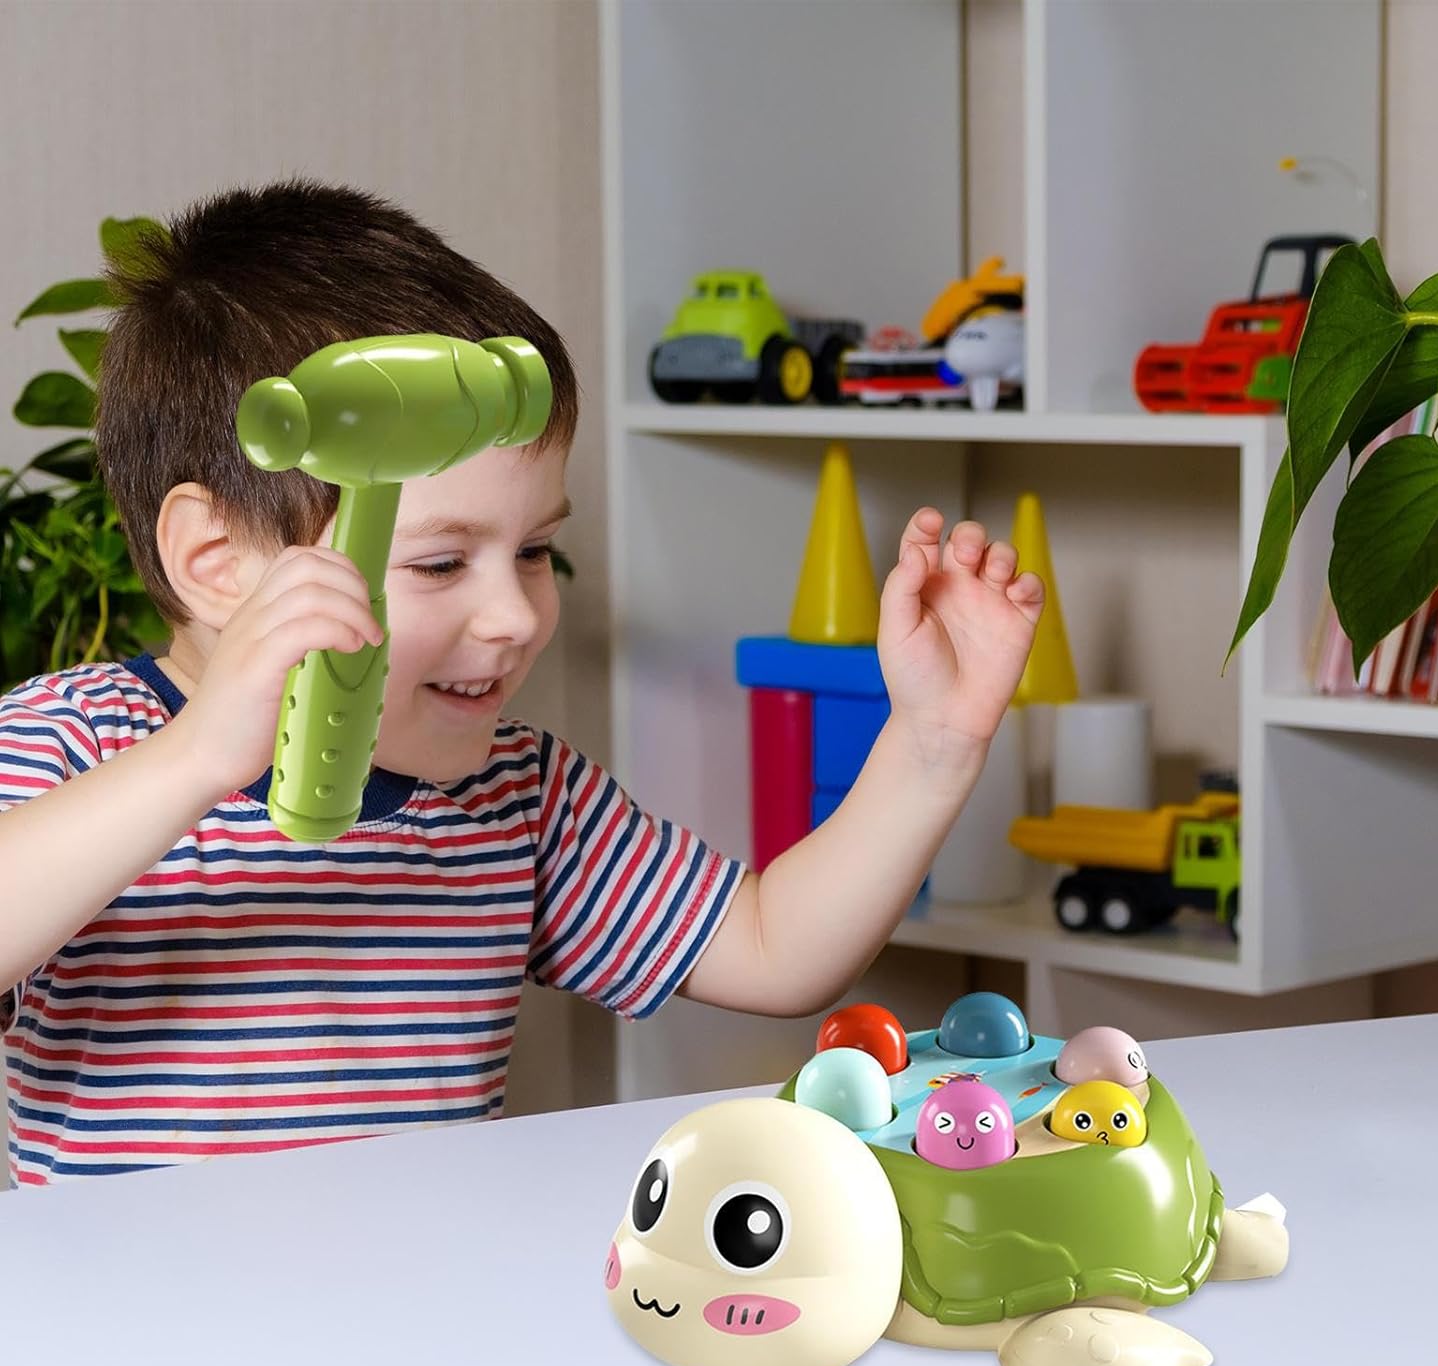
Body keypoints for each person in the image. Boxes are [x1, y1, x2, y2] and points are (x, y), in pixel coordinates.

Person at [0, 180, 1042, 1186]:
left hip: (425, 1302)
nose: (517, 615)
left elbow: (778, 951)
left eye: (535, 551)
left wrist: (932, 743)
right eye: (441, 563)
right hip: (139, 1315)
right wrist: (194, 760)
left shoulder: (517, 795)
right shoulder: (73, 747)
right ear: (218, 562)